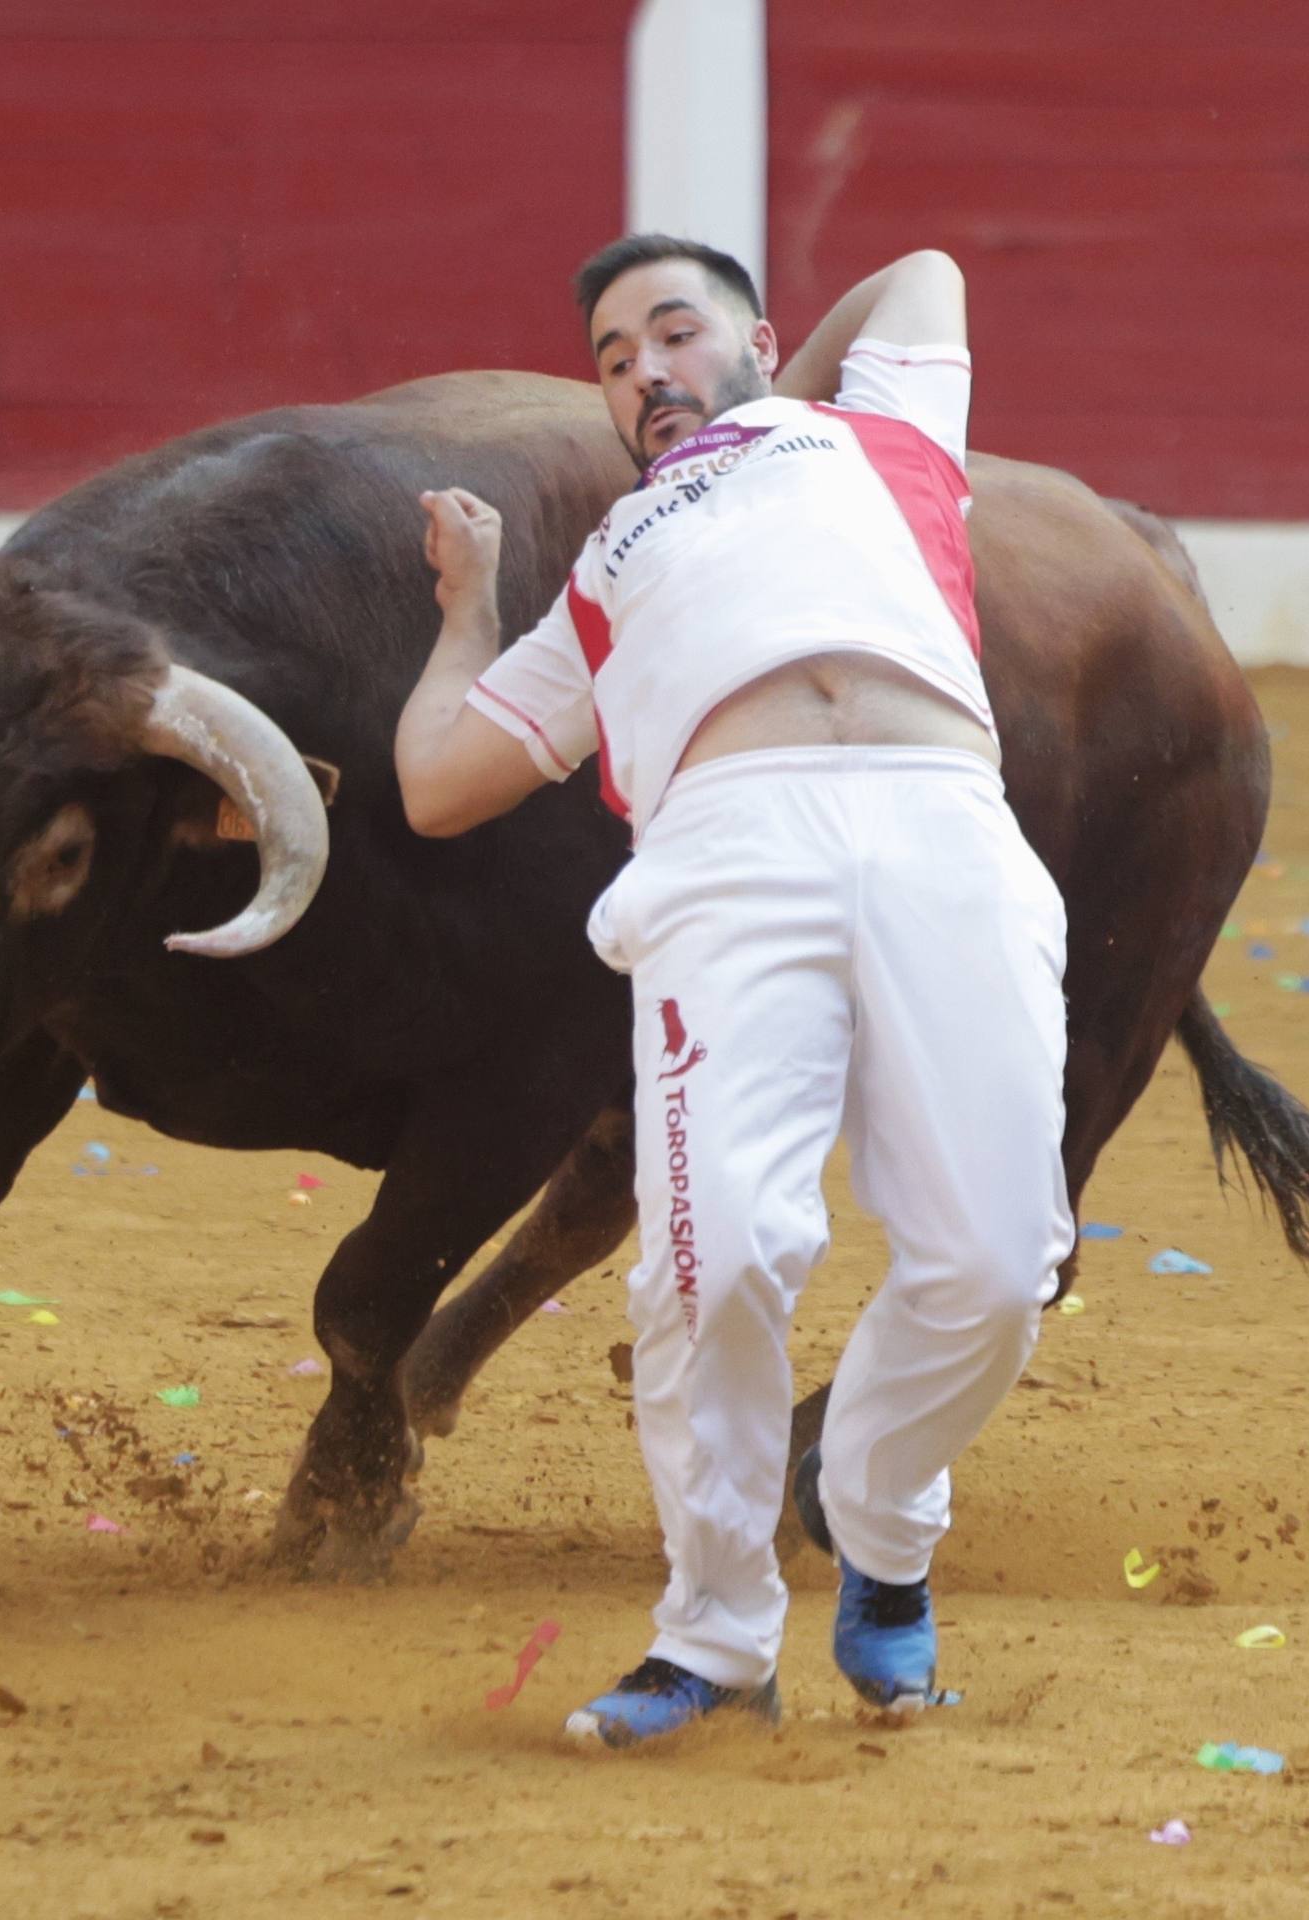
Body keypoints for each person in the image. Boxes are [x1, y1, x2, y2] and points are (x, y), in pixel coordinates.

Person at [392, 236, 1073, 1749]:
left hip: (941, 828)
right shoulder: (604, 571)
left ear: (758, 340)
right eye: (613, 360)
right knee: (716, 1263)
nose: (642, 373)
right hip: (725, 855)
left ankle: (878, 1528)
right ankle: (712, 1637)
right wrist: (466, 609)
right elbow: (438, 782)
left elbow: (926, 272)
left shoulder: (879, 432)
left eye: (673, 334)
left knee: (997, 1261)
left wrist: (783, 391)